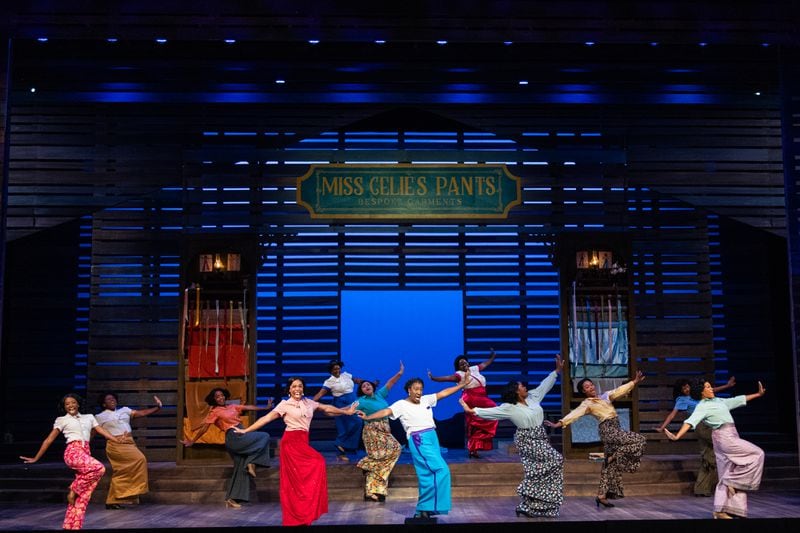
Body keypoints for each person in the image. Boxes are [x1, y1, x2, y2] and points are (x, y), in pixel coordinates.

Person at [235, 376, 359, 526]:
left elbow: (327, 408)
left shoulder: (309, 403)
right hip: (291, 443)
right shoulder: (284, 405)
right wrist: (246, 430)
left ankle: (304, 512)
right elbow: (266, 418)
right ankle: (296, 515)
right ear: (289, 389)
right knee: (308, 470)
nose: (297, 389)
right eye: (294, 386)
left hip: (303, 441)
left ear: (303, 388)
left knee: (309, 473)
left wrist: (346, 412)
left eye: (300, 386)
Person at [459, 354, 565, 517]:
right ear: (516, 391)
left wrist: (556, 371)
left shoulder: (533, 397)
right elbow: (490, 412)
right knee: (556, 459)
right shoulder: (509, 407)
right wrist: (470, 410)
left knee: (534, 470)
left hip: (540, 436)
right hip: (527, 439)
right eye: (522, 386)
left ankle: (531, 506)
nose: (525, 387)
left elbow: (545, 385)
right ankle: (526, 488)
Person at [358, 370, 470, 519]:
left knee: (427, 475)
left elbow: (444, 393)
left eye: (421, 389)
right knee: (442, 470)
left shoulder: (426, 400)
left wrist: (461, 385)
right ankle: (427, 506)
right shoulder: (401, 404)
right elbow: (385, 411)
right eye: (416, 389)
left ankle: (423, 510)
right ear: (409, 390)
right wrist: (368, 417)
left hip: (432, 437)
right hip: (419, 439)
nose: (419, 392)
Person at [664, 379, 766, 519]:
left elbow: (738, 400)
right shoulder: (702, 406)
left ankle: (721, 511)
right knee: (757, 454)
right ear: (701, 392)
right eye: (707, 387)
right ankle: (734, 481)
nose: (711, 388)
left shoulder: (719, 401)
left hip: (727, 436)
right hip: (725, 437)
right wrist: (677, 436)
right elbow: (690, 421)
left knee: (726, 472)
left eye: (710, 386)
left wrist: (758, 394)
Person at [546, 371, 646, 508]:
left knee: (608, 467)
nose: (591, 387)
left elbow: (619, 391)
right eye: (587, 387)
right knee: (640, 440)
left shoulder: (605, 396)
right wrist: (560, 423)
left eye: (591, 385)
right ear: (583, 391)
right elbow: (575, 414)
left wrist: (634, 382)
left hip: (615, 428)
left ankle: (601, 495)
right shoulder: (587, 403)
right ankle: (614, 456)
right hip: (608, 430)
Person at [20, 393, 121, 530]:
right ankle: (73, 489)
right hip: (73, 452)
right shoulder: (61, 420)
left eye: (73, 403)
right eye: (67, 404)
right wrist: (36, 458)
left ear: (78, 404)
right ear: (64, 407)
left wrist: (116, 439)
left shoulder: (89, 417)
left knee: (84, 495)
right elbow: (49, 439)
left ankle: (72, 526)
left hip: (85, 452)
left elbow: (101, 431)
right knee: (99, 468)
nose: (70, 405)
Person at [181, 388, 273, 508]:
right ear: (214, 399)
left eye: (222, 395)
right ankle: (251, 461)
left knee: (240, 469)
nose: (221, 398)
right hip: (233, 437)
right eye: (217, 396)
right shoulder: (215, 411)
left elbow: (249, 407)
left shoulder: (233, 406)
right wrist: (193, 440)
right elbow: (204, 428)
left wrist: (266, 408)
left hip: (242, 433)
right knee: (264, 436)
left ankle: (232, 499)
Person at [656, 376, 736, 496]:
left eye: (687, 386)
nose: (687, 389)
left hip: (709, 424)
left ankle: (701, 489)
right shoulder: (681, 400)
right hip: (702, 426)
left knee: (708, 458)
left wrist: (727, 386)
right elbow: (672, 415)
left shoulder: (697, 395)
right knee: (720, 453)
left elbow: (712, 390)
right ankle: (726, 484)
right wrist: (662, 427)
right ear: (680, 390)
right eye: (684, 388)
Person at [95, 392, 162, 509]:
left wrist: (157, 408)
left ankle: (112, 500)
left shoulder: (124, 410)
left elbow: (142, 413)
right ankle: (125, 494)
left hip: (129, 443)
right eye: (108, 399)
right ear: (103, 404)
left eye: (113, 398)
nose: (112, 400)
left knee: (122, 472)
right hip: (115, 445)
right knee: (140, 459)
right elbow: (93, 432)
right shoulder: (100, 417)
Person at [428, 348, 497, 458]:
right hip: (471, 397)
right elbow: (446, 378)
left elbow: (486, 363)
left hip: (482, 396)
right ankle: (472, 450)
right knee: (482, 417)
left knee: (485, 419)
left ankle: (474, 448)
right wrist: (434, 378)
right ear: (458, 367)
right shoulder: (459, 375)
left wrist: (493, 356)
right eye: (461, 363)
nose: (463, 363)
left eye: (464, 361)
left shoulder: (474, 369)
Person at [356, 361, 405, 502]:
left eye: (368, 384)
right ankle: (368, 467)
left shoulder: (379, 395)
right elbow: (349, 409)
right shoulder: (361, 401)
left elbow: (390, 383)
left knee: (384, 457)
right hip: (372, 430)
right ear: (361, 390)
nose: (366, 386)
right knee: (390, 450)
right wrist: (332, 410)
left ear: (372, 386)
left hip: (385, 428)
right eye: (363, 386)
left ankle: (371, 486)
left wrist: (400, 373)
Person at [312, 359, 366, 460]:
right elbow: (320, 394)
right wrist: (310, 403)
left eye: (338, 368)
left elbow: (357, 380)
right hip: (340, 404)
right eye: (335, 369)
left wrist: (367, 383)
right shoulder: (329, 382)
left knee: (358, 422)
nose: (337, 370)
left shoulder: (346, 375)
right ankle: (340, 449)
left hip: (353, 401)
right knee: (345, 427)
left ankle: (346, 446)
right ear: (331, 370)